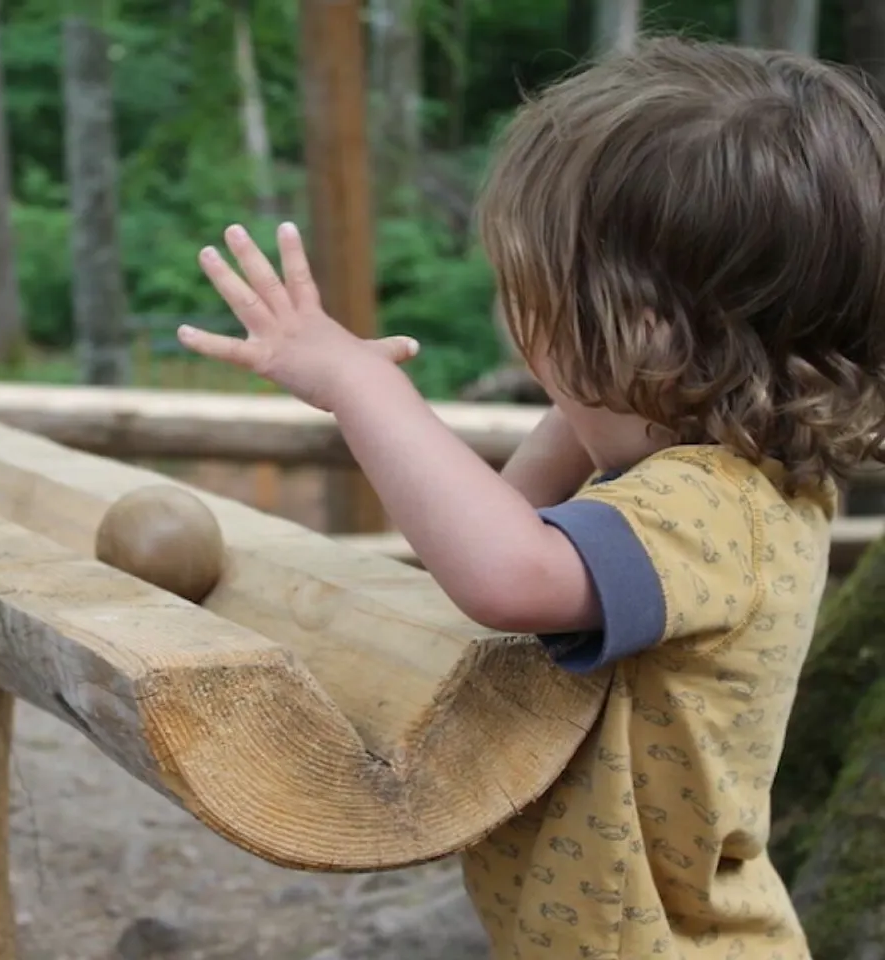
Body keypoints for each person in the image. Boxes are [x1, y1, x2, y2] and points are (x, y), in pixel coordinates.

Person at [176, 36, 885, 959]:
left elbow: (504, 574)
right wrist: (585, 397)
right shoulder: (714, 475)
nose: (513, 323)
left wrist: (365, 389)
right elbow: (508, 521)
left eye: (531, 294)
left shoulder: (715, 507)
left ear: (642, 327)